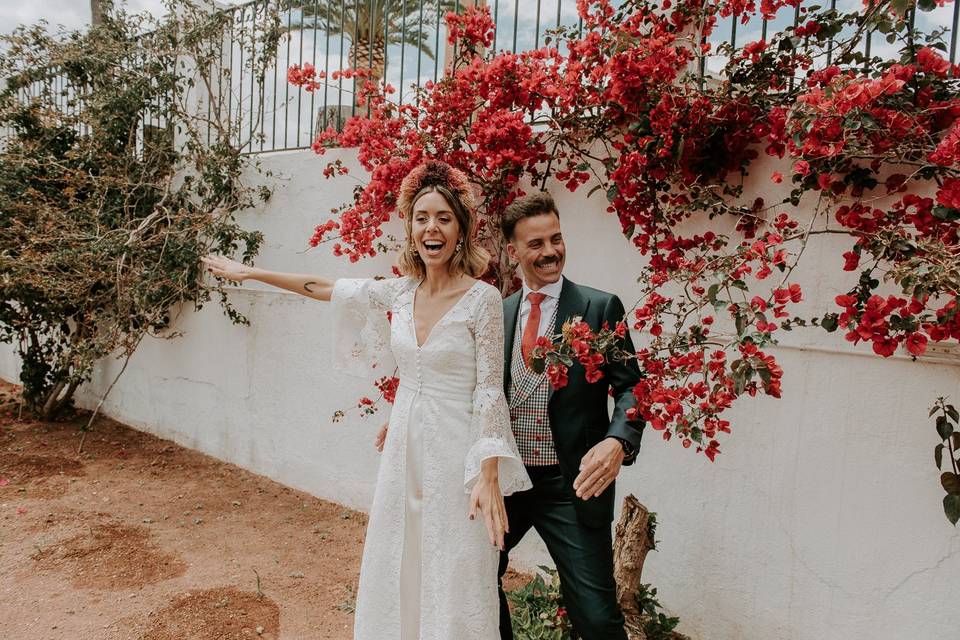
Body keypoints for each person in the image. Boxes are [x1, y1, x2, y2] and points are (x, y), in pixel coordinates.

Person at [202, 160, 531, 640]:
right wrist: (249, 271)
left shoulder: (481, 300)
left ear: (461, 229)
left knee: (454, 562)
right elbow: (324, 287)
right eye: (421, 217)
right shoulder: (399, 292)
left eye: (443, 217)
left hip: (457, 450)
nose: (431, 227)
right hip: (405, 446)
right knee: (402, 553)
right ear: (410, 229)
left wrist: (488, 472)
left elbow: (487, 390)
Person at [497, 191, 645, 640]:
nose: (550, 252)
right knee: (471, 580)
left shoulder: (600, 307)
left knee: (598, 619)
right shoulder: (499, 314)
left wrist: (618, 440)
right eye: (536, 243)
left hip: (572, 485)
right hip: (508, 480)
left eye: (556, 239)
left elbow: (633, 386)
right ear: (513, 251)